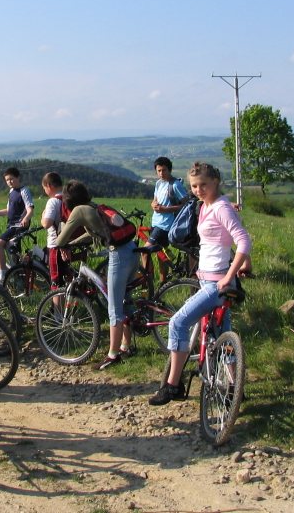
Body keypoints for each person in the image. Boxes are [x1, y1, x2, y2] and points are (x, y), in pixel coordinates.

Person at [148, 162, 252, 406]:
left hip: (216, 283)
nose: (198, 190)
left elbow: (243, 240)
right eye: (194, 186)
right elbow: (226, 237)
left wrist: (229, 276)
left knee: (178, 322)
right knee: (221, 337)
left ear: (216, 181)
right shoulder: (207, 206)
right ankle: (235, 389)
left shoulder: (221, 208)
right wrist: (245, 265)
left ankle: (173, 385)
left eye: (203, 184)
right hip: (209, 279)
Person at [53, 180, 139, 370]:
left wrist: (64, 244)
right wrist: (74, 243)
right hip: (132, 251)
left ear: (68, 201)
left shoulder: (78, 211)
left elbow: (59, 240)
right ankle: (126, 346)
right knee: (125, 300)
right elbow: (93, 234)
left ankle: (112, 355)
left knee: (114, 308)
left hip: (118, 255)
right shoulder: (93, 206)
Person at [144, 156, 188, 284]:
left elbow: (186, 205)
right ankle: (163, 283)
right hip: (156, 222)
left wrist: (165, 209)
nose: (161, 173)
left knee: (145, 251)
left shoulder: (175, 185)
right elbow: (155, 200)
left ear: (170, 170)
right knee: (160, 254)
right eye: (159, 171)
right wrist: (153, 204)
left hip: (165, 226)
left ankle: (148, 282)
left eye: (164, 170)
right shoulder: (159, 183)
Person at [0, 167, 35, 283]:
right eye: (7, 180)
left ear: (18, 177)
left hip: (19, 225)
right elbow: (9, 211)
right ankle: (16, 273)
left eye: (11, 179)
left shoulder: (24, 191)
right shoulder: (11, 192)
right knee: (9, 249)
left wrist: (26, 218)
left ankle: (3, 274)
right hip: (11, 225)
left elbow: (30, 209)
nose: (9, 182)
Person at [40, 172, 72, 289]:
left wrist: (42, 216)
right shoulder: (68, 198)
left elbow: (46, 224)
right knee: (67, 278)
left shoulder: (53, 201)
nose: (45, 191)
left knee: (56, 282)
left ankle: (57, 301)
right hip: (69, 243)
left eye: (44, 188)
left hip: (56, 245)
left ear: (49, 186)